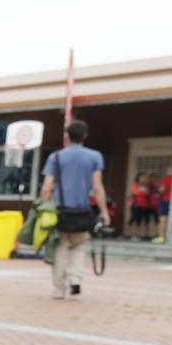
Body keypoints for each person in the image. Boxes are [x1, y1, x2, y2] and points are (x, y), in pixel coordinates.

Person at [40, 119, 109, 299]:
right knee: (79, 246)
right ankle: (76, 279)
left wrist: (43, 207)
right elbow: (97, 187)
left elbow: (47, 186)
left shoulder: (55, 157)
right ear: (85, 136)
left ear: (67, 135)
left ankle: (59, 289)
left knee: (60, 248)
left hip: (60, 212)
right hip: (83, 212)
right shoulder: (95, 157)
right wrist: (104, 211)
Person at [153, 165, 172, 243]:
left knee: (162, 220)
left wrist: (158, 192)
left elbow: (162, 190)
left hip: (165, 201)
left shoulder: (165, 179)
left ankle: (161, 237)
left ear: (168, 171)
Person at [127, 172, 152, 240]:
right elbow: (135, 192)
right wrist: (143, 193)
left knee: (140, 220)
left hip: (144, 205)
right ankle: (125, 233)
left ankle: (136, 235)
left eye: (144, 177)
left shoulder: (146, 186)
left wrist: (142, 193)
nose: (143, 178)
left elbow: (147, 193)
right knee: (133, 218)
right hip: (135, 204)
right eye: (142, 177)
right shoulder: (135, 184)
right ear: (138, 177)